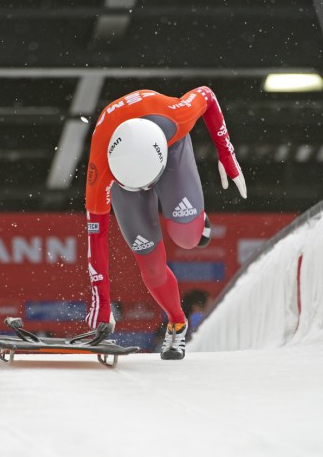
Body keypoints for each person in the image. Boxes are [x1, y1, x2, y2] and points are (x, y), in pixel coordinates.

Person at [84, 86, 247, 360]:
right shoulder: (101, 170)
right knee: (151, 268)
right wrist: (101, 302)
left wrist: (227, 156)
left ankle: (195, 221)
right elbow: (95, 237)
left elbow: (206, 95)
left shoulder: (177, 116)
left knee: (186, 238)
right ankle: (177, 322)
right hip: (125, 172)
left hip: (171, 151)